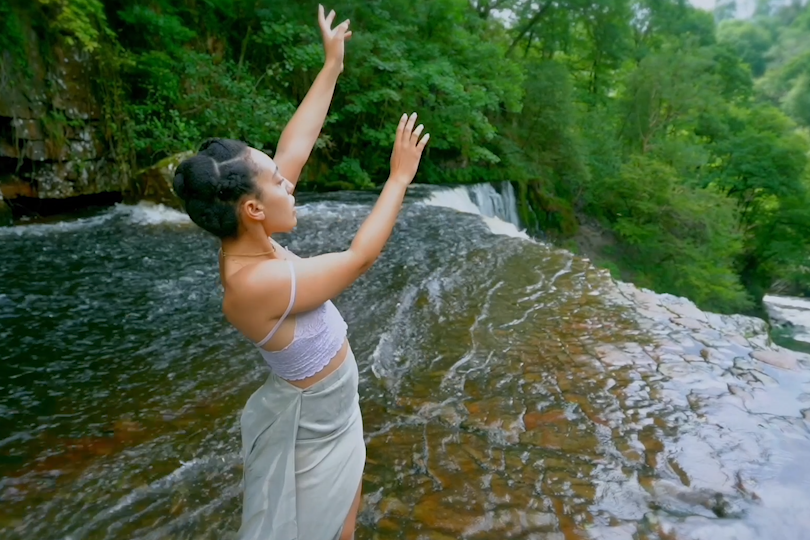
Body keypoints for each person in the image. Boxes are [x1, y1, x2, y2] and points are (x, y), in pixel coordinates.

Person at [171, 5, 430, 540]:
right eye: (276, 181)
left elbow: (294, 145)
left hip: (336, 409)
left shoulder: (251, 234)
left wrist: (331, 64)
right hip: (315, 425)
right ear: (253, 209)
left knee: (343, 521)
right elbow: (360, 257)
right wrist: (399, 179)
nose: (289, 180)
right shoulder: (250, 284)